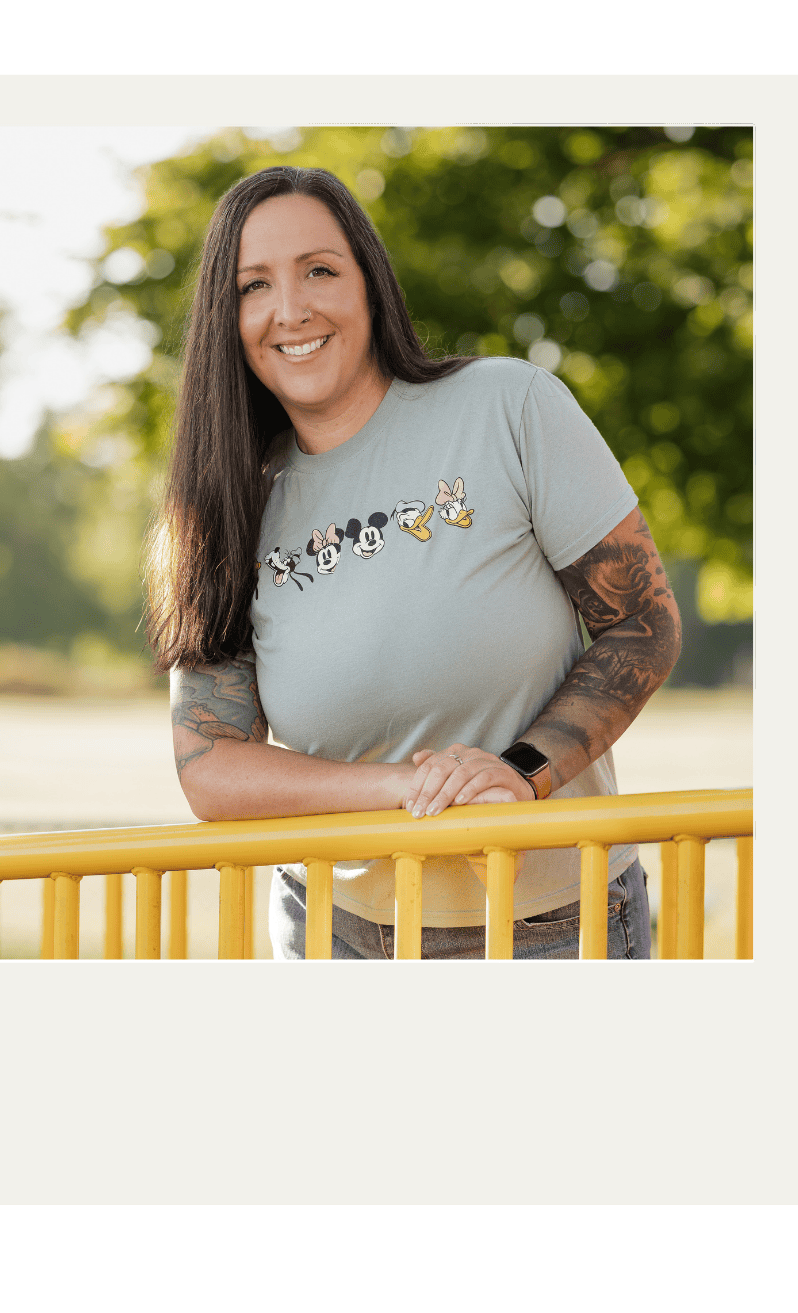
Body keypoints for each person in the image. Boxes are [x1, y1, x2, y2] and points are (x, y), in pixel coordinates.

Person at [145, 166, 682, 960]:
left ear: (370, 283)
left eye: (319, 270)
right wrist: (408, 788)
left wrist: (519, 772)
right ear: (226, 319)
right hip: (331, 931)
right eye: (253, 285)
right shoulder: (225, 508)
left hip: (551, 931)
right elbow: (209, 763)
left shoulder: (510, 406)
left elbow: (642, 622)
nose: (291, 309)